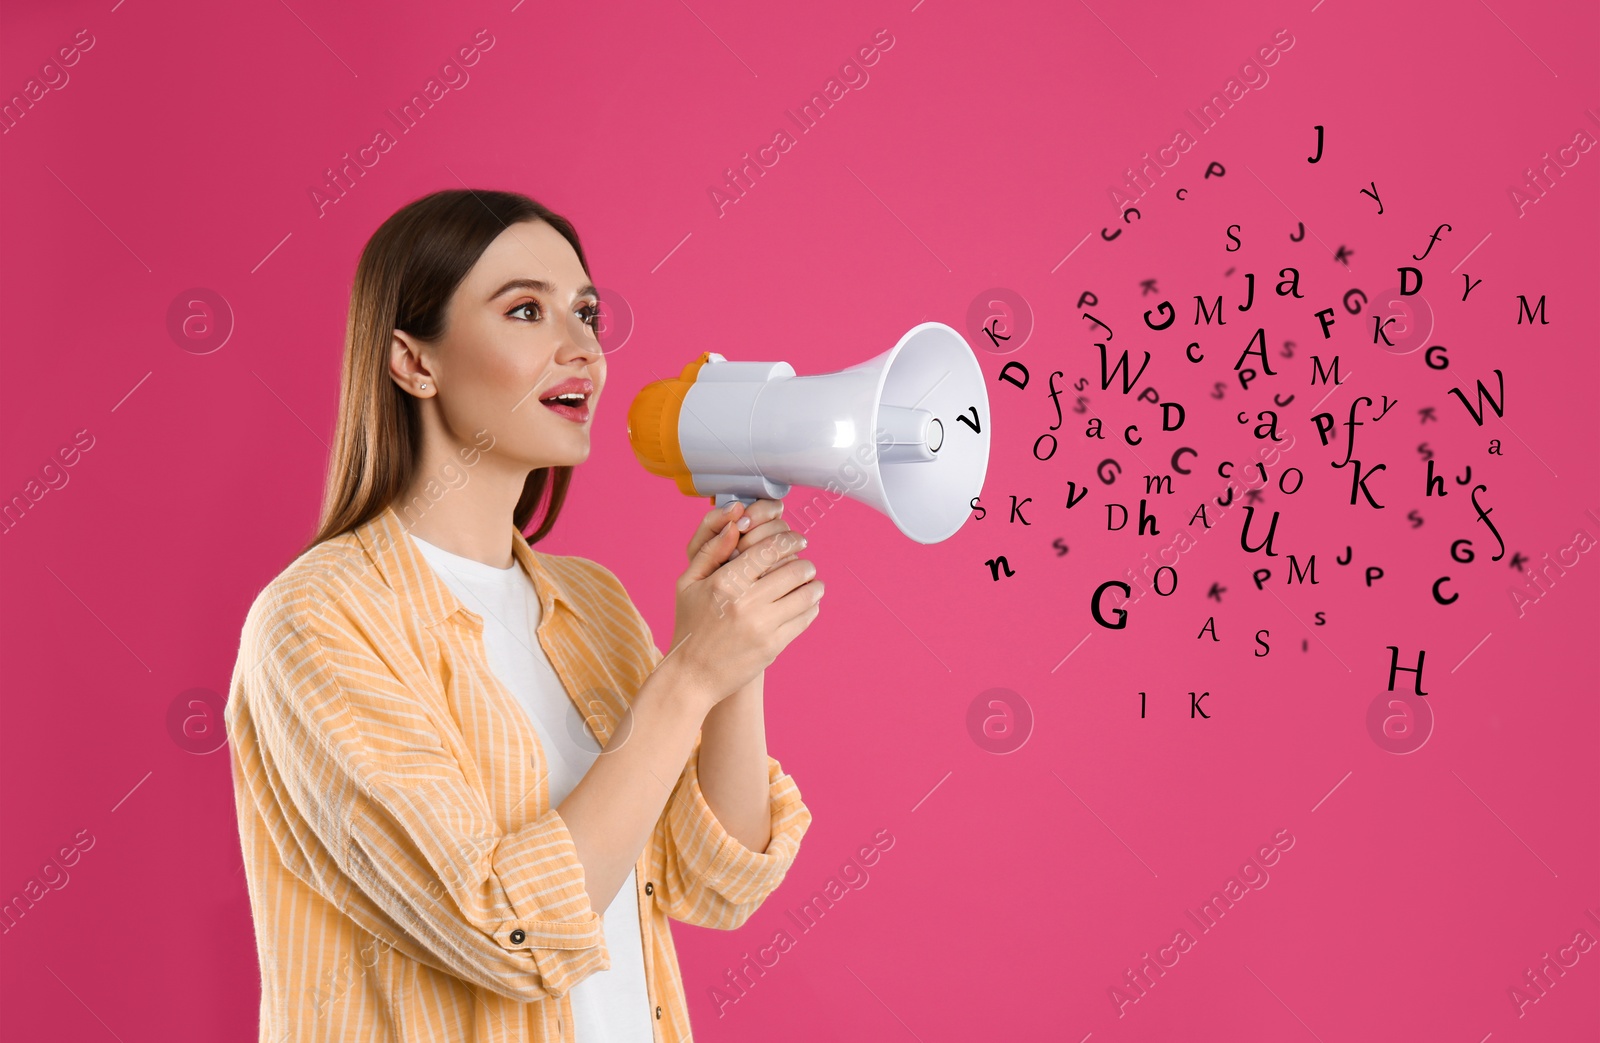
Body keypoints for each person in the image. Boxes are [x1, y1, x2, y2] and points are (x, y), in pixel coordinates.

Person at [223, 188, 821, 1042]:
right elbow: (501, 924)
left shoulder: (592, 604)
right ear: (413, 362)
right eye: (526, 310)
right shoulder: (318, 620)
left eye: (587, 312)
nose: (581, 348)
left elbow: (715, 879)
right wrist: (687, 678)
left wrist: (734, 654)